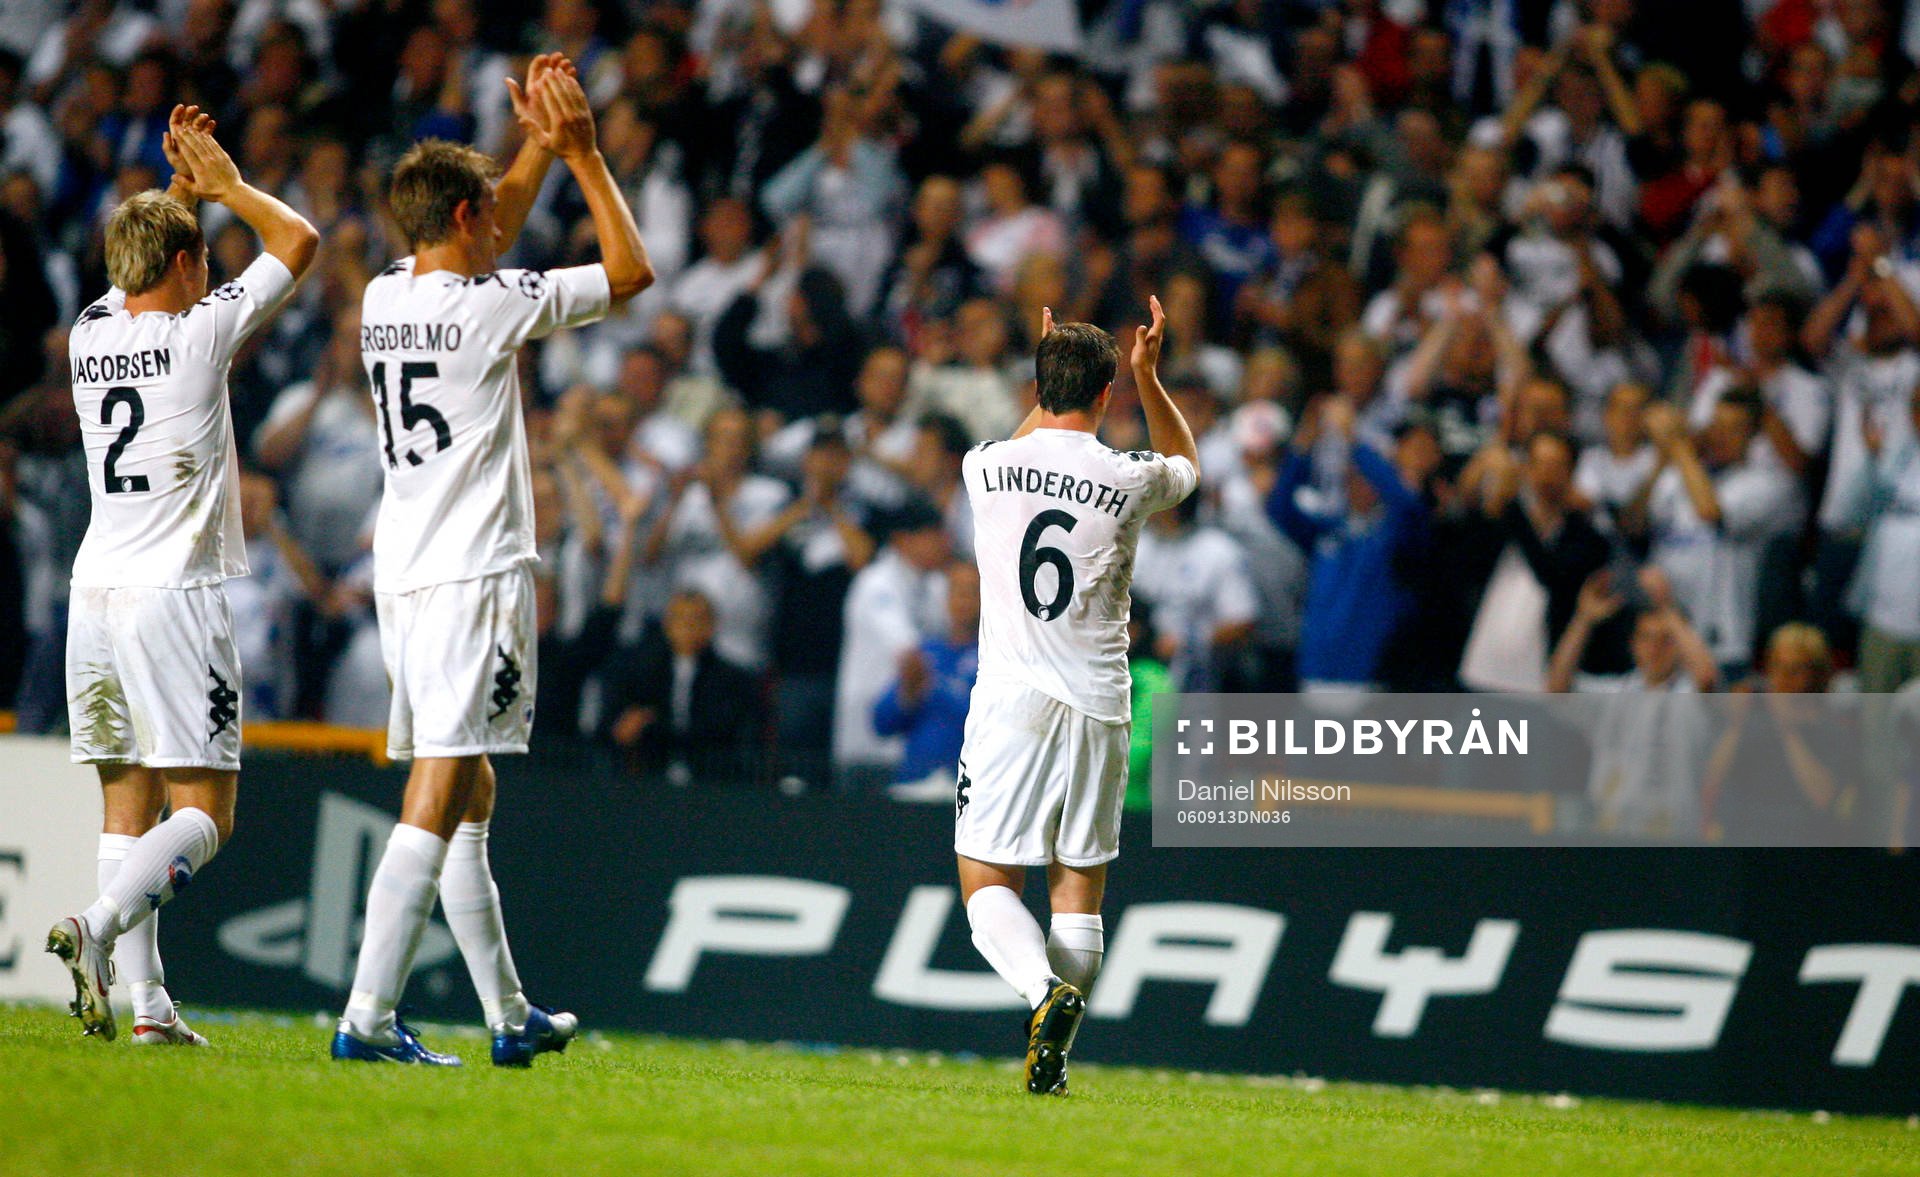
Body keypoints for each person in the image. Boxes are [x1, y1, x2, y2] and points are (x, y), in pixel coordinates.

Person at [333, 55, 652, 1067]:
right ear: (469, 221)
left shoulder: (386, 297)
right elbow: (632, 270)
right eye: (487, 213)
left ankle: (507, 1014)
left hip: (407, 569)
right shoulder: (492, 305)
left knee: (468, 788)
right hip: (473, 573)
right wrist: (587, 160)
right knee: (442, 782)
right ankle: (367, 1015)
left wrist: (530, 148)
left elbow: (488, 222)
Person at [46, 104, 317, 1045]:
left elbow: (139, 267)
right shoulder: (204, 334)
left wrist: (172, 194)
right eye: (200, 250)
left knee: (128, 798)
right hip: (173, 595)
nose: (212, 263)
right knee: (206, 811)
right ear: (184, 267)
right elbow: (300, 238)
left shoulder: (88, 334)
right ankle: (95, 924)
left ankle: (152, 1010)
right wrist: (228, 184)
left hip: (93, 594)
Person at [956, 297, 1198, 1096]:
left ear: (1036, 384)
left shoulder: (984, 463)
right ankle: (1054, 1052)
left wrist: (1053, 358)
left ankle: (1041, 995)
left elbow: (1039, 437)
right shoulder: (1131, 478)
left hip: (1012, 699)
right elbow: (1188, 465)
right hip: (1100, 702)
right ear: (1106, 398)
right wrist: (1149, 377)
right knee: (1078, 888)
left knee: (987, 878)